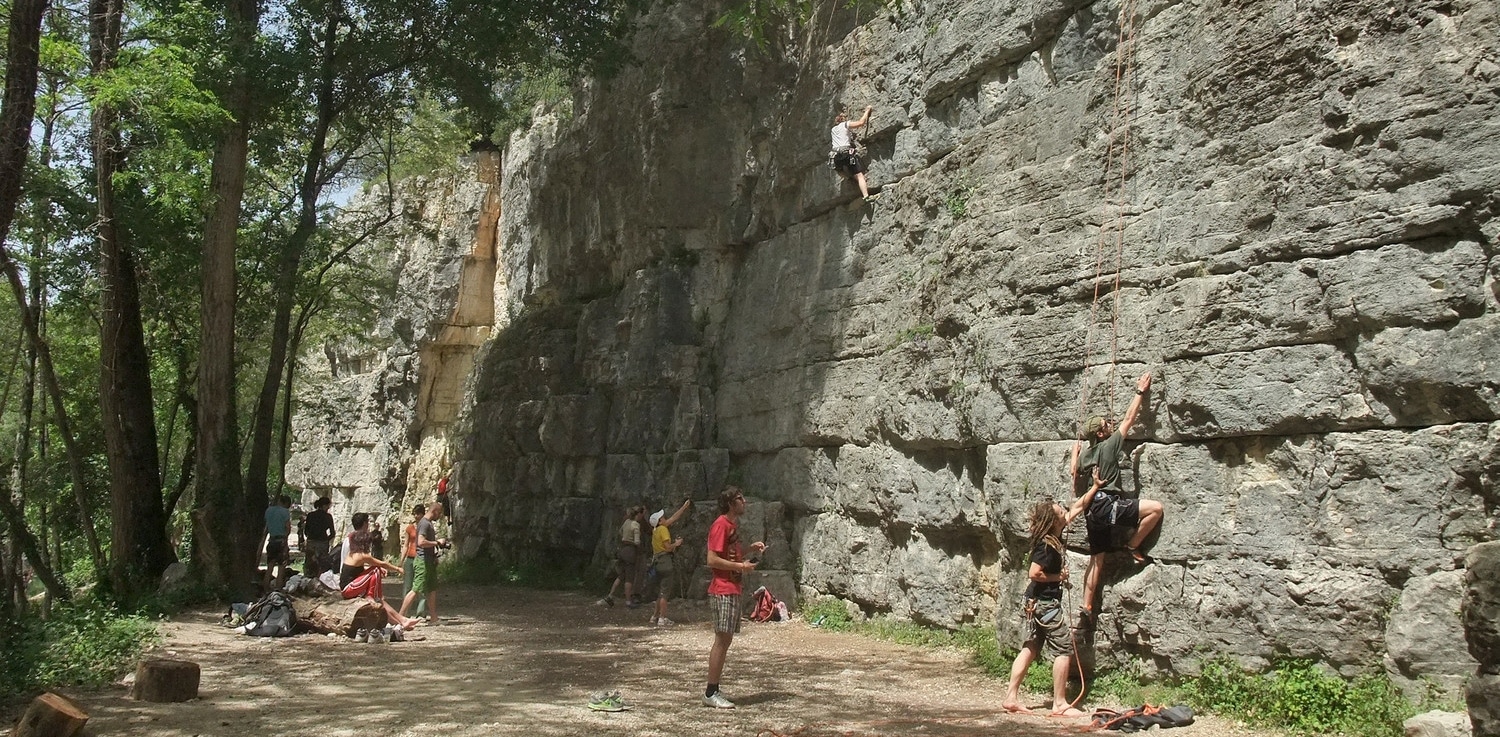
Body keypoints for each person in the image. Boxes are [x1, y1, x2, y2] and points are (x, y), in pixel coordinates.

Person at [1002, 469, 1106, 716]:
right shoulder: (1046, 547)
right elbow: (1034, 573)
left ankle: (1011, 697)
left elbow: (1076, 509)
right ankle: (1059, 703)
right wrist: (1058, 577)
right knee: (1063, 647)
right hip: (1045, 603)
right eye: (1061, 513)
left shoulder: (1053, 534)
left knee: (1031, 646)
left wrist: (1094, 487)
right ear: (1055, 521)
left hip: (1035, 603)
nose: (1064, 513)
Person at [1071, 370, 1166, 627]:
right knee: (1155, 509)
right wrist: (1140, 391)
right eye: (1105, 426)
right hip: (1109, 504)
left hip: (1093, 509)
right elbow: (1128, 418)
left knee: (1096, 559)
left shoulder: (1087, 455)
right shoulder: (1111, 444)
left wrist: (1074, 454)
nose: (1109, 426)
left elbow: (1074, 471)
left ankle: (1086, 604)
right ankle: (1133, 545)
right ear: (1101, 434)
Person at [703, 486, 766, 709]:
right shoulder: (721, 525)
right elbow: (712, 559)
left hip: (732, 588)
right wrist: (741, 566)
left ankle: (714, 688)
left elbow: (729, 554)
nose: (744, 502)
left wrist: (749, 550)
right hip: (722, 589)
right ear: (731, 503)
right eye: (740, 498)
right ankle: (711, 692)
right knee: (722, 640)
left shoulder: (731, 526)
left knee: (725, 640)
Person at [339, 519, 419, 630]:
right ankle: (371, 595)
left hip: (351, 586)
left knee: (381, 600)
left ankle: (401, 621)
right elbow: (382, 563)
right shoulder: (361, 555)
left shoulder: (354, 554)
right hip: (348, 589)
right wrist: (397, 569)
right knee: (376, 569)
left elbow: (359, 570)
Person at [399, 502, 448, 624]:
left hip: (429, 560)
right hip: (422, 561)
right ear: (435, 511)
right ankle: (399, 617)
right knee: (415, 589)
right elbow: (421, 542)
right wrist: (437, 542)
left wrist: (434, 554)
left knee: (432, 588)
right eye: (439, 513)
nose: (440, 515)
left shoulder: (427, 523)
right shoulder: (425, 524)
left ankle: (434, 618)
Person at [647, 499, 692, 627]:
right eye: (663, 517)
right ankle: (662, 618)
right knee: (665, 593)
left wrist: (683, 507)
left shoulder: (656, 530)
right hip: (665, 562)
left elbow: (673, 518)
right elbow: (667, 547)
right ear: (660, 521)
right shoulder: (663, 530)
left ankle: (654, 616)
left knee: (661, 591)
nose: (665, 518)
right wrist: (676, 544)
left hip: (657, 562)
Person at [598, 506, 646, 608]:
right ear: (639, 514)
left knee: (621, 575)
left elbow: (620, 532)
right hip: (630, 552)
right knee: (629, 578)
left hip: (622, 550)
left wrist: (625, 538)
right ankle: (628, 601)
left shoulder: (627, 522)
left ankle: (610, 596)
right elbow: (637, 541)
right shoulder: (636, 525)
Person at [830, 106, 876, 199]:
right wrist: (867, 111)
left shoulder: (833, 130)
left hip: (835, 157)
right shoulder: (845, 124)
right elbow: (861, 123)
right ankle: (866, 196)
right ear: (843, 120)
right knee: (859, 175)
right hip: (846, 153)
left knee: (840, 169)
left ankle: (849, 177)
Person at [400, 504, 429, 618]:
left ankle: (420, 613)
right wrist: (401, 561)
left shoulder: (426, 527)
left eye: (418, 514)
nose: (416, 516)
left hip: (421, 558)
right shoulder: (410, 528)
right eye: (415, 514)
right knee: (407, 585)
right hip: (410, 558)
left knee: (421, 586)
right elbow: (406, 545)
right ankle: (405, 612)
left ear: (423, 514)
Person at [263, 494, 292, 590]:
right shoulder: (285, 512)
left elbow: (267, 527)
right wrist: (285, 539)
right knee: (281, 567)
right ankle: (278, 589)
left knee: (270, 566)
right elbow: (287, 527)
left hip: (271, 541)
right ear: (286, 503)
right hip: (281, 541)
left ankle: (265, 588)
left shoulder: (268, 511)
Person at [303, 496, 336, 577]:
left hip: (311, 541)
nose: (328, 508)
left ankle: (308, 578)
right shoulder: (328, 516)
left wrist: (310, 537)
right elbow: (332, 532)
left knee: (310, 562)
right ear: (325, 505)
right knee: (322, 564)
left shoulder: (311, 515)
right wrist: (327, 539)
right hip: (323, 541)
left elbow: (306, 530)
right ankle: (320, 578)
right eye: (328, 506)